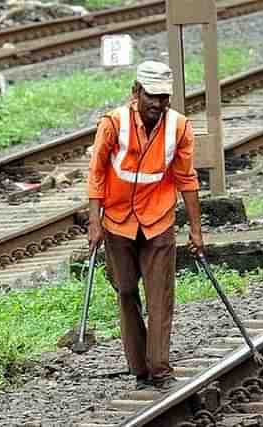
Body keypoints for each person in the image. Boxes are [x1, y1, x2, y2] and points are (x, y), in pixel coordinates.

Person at [87, 60, 204, 390]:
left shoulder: (179, 127)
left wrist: (196, 229)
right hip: (118, 222)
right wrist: (94, 223)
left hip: (158, 221)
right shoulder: (113, 123)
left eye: (164, 97)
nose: (157, 104)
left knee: (160, 298)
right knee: (126, 292)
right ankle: (138, 367)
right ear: (136, 92)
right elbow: (96, 174)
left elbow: (187, 179)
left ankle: (159, 369)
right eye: (151, 96)